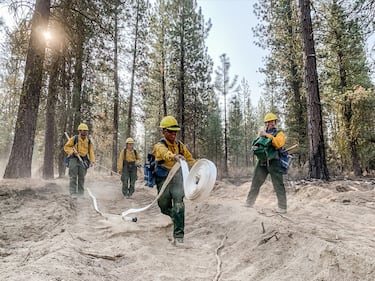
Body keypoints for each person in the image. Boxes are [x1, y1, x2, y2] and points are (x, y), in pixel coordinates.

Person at [153, 116, 196, 244]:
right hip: (163, 179)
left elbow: (190, 160)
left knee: (179, 204)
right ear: (164, 131)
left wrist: (200, 167)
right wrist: (174, 157)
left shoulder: (180, 146)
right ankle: (175, 217)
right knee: (163, 205)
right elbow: (165, 153)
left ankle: (179, 236)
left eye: (175, 131)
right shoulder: (159, 146)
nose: (173, 134)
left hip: (178, 179)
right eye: (171, 131)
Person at [245, 113, 287, 213]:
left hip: (274, 162)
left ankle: (282, 207)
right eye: (268, 122)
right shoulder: (261, 134)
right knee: (255, 182)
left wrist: (267, 135)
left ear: (275, 122)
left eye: (272, 121)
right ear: (266, 123)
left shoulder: (279, 133)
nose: (271, 123)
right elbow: (255, 146)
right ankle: (249, 203)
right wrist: (259, 137)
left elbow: (278, 144)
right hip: (262, 162)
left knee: (278, 184)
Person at [64, 123, 95, 196]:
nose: (84, 132)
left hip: (83, 160)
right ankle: (73, 193)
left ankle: (81, 193)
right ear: (79, 131)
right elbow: (66, 147)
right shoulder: (74, 138)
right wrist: (72, 152)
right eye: (82, 130)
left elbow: (91, 151)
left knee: (81, 177)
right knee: (73, 177)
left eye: (85, 130)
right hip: (74, 159)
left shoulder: (89, 141)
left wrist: (92, 161)